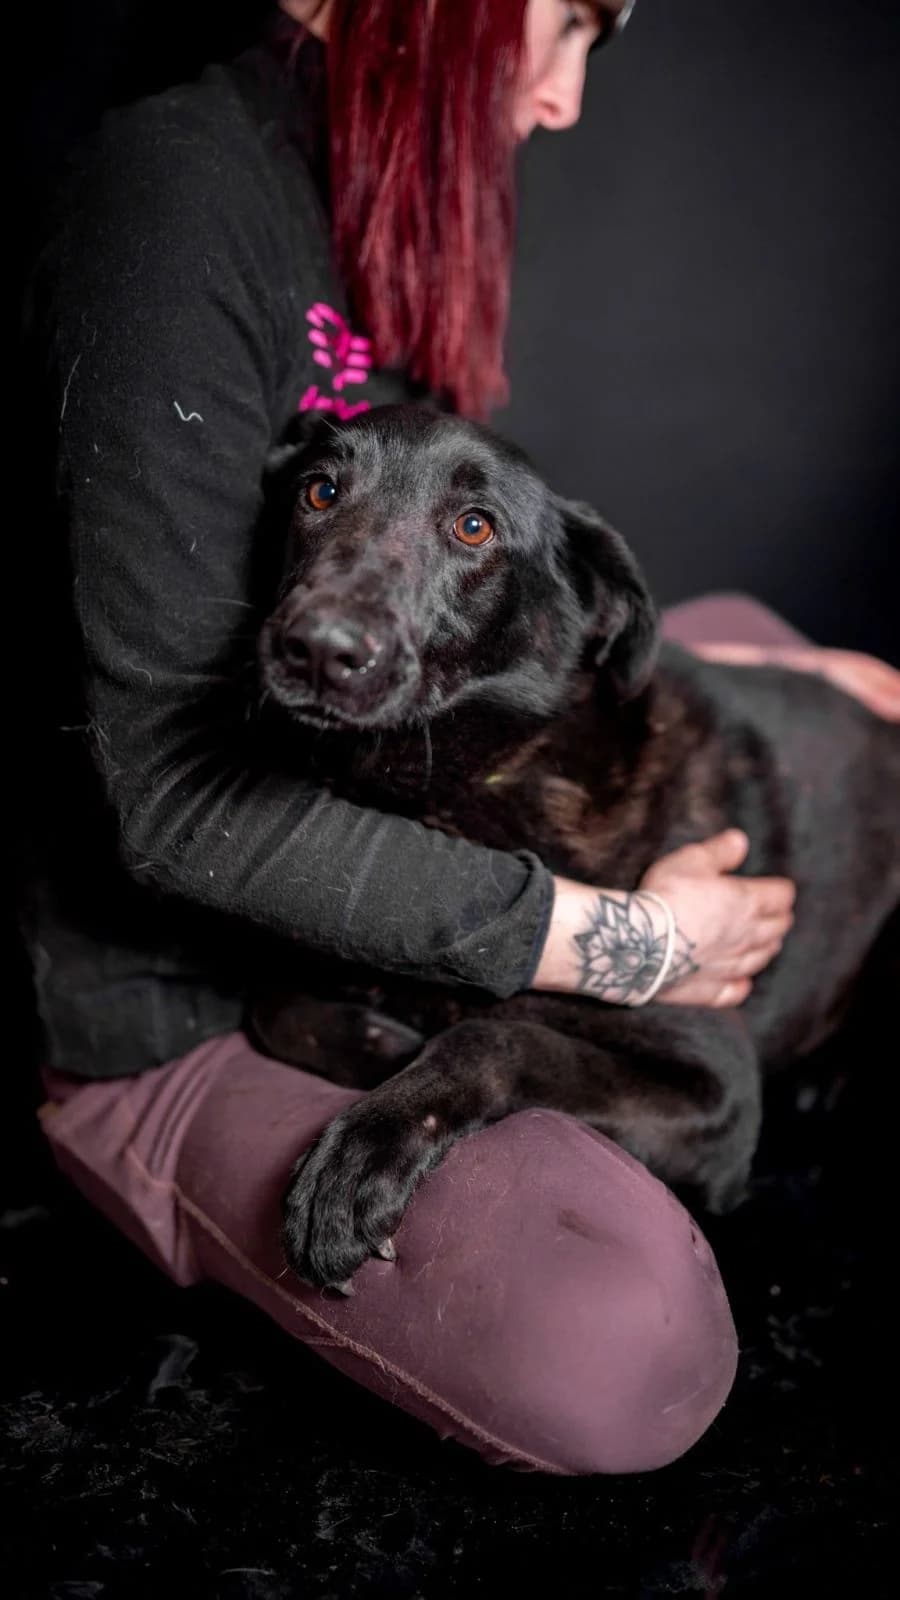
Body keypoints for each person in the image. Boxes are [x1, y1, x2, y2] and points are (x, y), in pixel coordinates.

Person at [21, 0, 900, 1476]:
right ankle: (158, 1152)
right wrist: (632, 941)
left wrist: (746, 668)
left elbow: (462, 537)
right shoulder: (175, 203)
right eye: (562, 26)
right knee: (629, 1345)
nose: (559, 101)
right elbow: (170, 801)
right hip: (173, 990)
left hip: (376, 786)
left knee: (789, 657)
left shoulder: (359, 191)